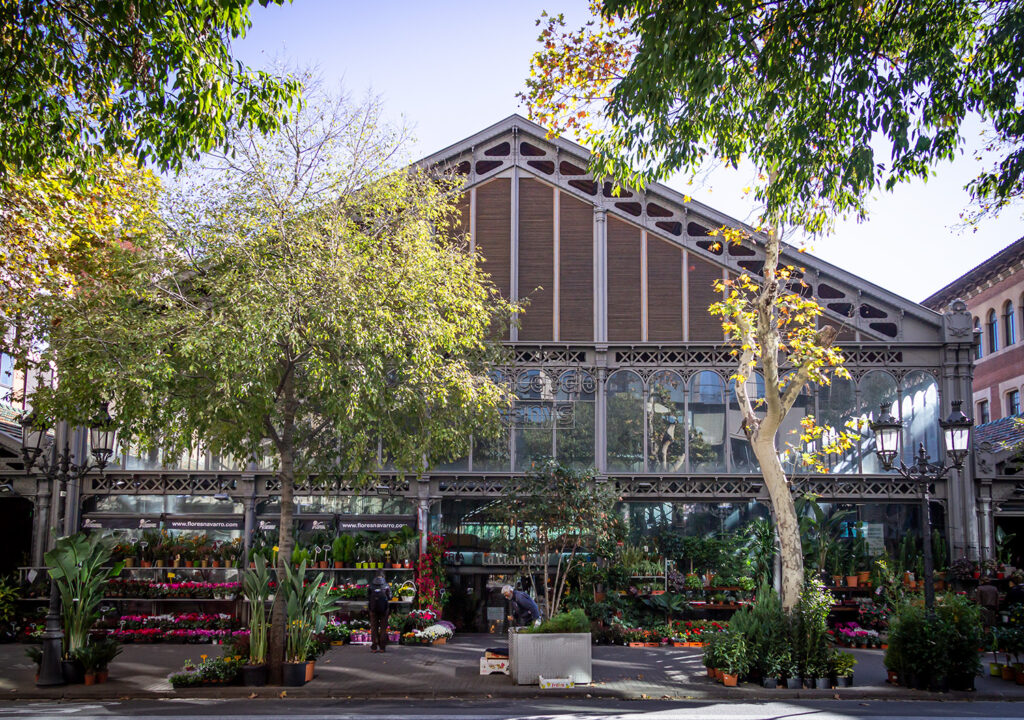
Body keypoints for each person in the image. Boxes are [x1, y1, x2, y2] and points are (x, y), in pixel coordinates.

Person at [368, 574, 392, 652]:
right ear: (383, 577)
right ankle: (382, 647)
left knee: (374, 627)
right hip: (384, 610)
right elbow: (390, 597)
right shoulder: (386, 586)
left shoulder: (371, 586)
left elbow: (367, 596)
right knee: (383, 628)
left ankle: (374, 647)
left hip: (373, 609)